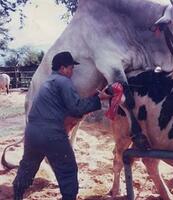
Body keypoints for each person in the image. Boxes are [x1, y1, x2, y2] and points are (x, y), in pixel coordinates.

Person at [13, 51, 111, 200]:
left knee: (27, 166)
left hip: (32, 131)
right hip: (51, 133)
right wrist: (99, 99)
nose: (72, 72)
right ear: (63, 68)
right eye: (71, 68)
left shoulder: (47, 82)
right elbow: (76, 107)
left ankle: (17, 195)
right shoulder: (63, 81)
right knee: (68, 170)